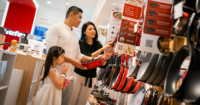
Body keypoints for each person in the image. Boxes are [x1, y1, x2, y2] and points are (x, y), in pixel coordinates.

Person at [46, 6, 110, 105]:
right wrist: (73, 62)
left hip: (70, 77)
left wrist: (96, 58)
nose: (80, 21)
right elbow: (52, 53)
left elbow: (79, 55)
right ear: (71, 15)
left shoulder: (74, 35)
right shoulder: (56, 28)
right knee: (51, 102)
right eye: (79, 17)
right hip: (55, 74)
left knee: (66, 102)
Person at [69, 22, 113, 105]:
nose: (93, 31)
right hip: (78, 74)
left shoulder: (98, 45)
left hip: (91, 77)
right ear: (84, 32)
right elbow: (85, 58)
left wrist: (105, 59)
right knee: (72, 100)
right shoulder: (80, 43)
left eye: (94, 29)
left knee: (82, 102)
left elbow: (102, 65)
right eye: (90, 29)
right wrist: (102, 50)